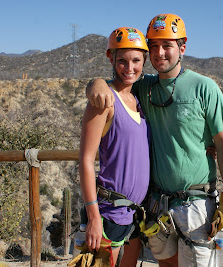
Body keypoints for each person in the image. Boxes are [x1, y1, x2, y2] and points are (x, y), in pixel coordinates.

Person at [87, 14, 223, 267]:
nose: (160, 53)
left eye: (167, 45)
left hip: (196, 204)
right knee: (166, 264)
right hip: (158, 206)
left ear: (182, 47)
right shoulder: (144, 87)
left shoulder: (205, 88)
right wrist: (96, 84)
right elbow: (118, 81)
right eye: (154, 46)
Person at [79, 26, 150, 266]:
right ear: (111, 58)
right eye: (122, 61)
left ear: (144, 60)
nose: (129, 68)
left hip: (134, 216)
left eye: (136, 61)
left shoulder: (138, 99)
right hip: (109, 214)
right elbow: (86, 159)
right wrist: (93, 217)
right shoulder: (104, 101)